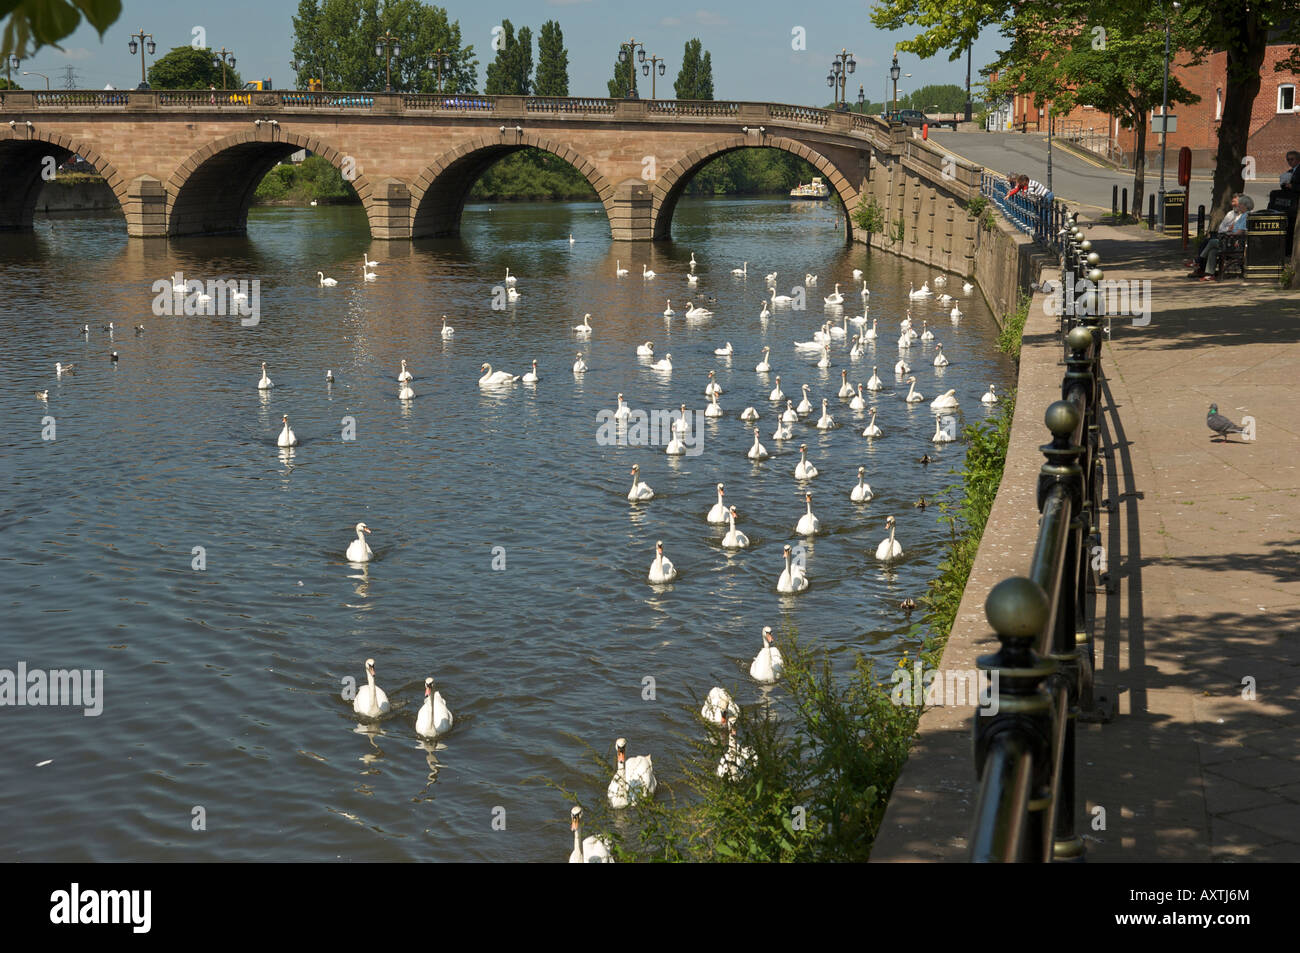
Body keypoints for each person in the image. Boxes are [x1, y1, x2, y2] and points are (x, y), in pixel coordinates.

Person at [1189, 194, 1252, 280]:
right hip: (1230, 240)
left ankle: (1198, 261)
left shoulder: (1246, 216)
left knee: (1211, 242)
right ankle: (1210, 274)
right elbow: (1224, 228)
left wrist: (1229, 233)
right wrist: (1229, 231)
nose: (1239, 205)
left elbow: (1240, 232)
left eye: (1240, 204)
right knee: (1213, 251)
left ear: (1245, 205)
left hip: (1235, 244)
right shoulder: (1241, 215)